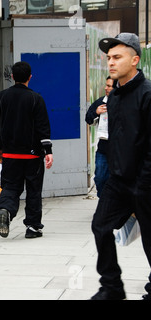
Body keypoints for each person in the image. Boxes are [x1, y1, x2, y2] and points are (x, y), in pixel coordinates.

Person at [91, 33, 151, 300]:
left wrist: (143, 182)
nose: (111, 63)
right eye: (108, 58)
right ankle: (112, 286)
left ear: (135, 60)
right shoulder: (113, 98)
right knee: (100, 226)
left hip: (146, 182)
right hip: (118, 180)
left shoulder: (148, 94)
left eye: (117, 57)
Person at [0, 61, 53, 239]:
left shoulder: (2, 97)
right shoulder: (36, 98)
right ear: (30, 77)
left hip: (10, 154)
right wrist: (48, 150)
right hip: (32, 155)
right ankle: (33, 227)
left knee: (10, 187)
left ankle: (5, 210)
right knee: (33, 190)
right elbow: (43, 127)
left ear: (12, 77)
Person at [85, 76, 115, 197]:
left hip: (120, 148)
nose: (106, 88)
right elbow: (88, 119)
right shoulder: (100, 102)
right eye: (106, 85)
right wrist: (96, 112)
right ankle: (104, 202)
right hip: (103, 147)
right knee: (100, 178)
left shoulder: (124, 102)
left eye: (109, 86)